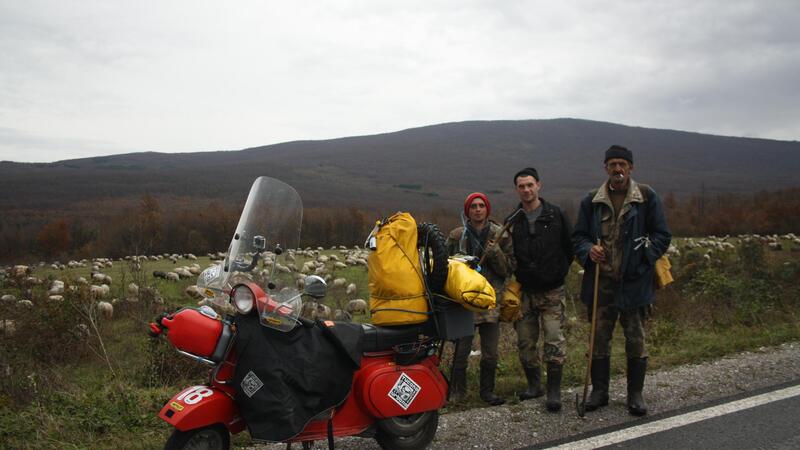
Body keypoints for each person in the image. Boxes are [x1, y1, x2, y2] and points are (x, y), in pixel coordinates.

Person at [572, 145, 671, 416]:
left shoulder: (646, 197)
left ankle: (635, 394)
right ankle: (599, 392)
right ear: (606, 167)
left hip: (634, 283)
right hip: (601, 285)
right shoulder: (591, 200)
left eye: (622, 164)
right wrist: (588, 250)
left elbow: (662, 234)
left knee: (635, 338)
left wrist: (644, 258)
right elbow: (578, 237)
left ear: (631, 168)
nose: (617, 169)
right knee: (599, 340)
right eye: (613, 164)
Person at [506, 168, 573, 412]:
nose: (526, 190)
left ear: (539, 186)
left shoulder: (556, 214)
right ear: (517, 189)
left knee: (554, 340)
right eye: (521, 186)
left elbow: (570, 247)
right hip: (525, 292)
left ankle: (554, 392)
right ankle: (534, 385)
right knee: (525, 342)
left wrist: (558, 271)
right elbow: (509, 255)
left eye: (530, 185)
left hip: (552, 290)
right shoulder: (513, 220)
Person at [446, 192, 513, 406]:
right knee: (460, 352)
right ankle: (457, 393)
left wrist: (495, 253)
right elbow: (445, 267)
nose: (477, 209)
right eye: (473, 206)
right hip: (464, 304)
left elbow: (508, 270)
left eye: (481, 205)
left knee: (490, 353)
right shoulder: (457, 236)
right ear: (467, 211)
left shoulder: (500, 234)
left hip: (490, 302)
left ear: (487, 209)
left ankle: (488, 392)